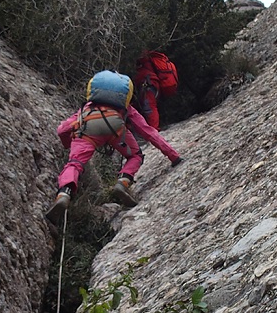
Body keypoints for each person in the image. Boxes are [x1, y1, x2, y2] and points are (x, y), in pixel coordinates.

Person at [45, 71, 183, 226]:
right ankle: (123, 182)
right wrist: (174, 156)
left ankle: (64, 194)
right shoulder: (126, 108)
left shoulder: (88, 107)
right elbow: (149, 133)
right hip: (115, 128)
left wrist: (67, 143)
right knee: (135, 155)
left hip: (88, 129)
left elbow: (62, 130)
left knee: (74, 164)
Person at [133, 54, 161, 130]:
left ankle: (154, 129)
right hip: (149, 83)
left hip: (148, 83)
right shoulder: (147, 59)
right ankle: (153, 128)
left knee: (149, 107)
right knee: (148, 106)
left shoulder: (143, 57)